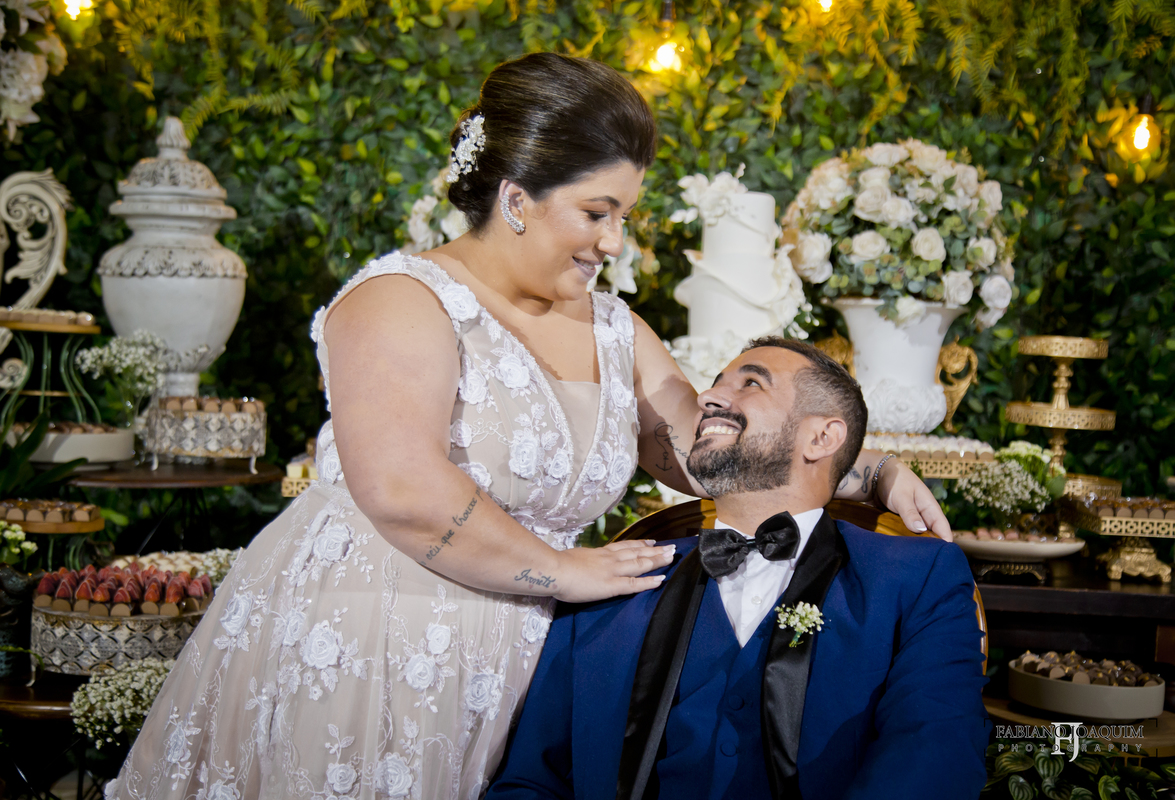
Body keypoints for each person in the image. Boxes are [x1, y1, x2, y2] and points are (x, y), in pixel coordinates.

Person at [106, 55, 951, 800]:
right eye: (597, 212)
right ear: (516, 198)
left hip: (521, 655)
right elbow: (399, 488)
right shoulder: (402, 300)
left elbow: (712, 450)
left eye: (624, 216)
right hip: (375, 634)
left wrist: (866, 470)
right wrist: (562, 570)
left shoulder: (613, 327)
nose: (614, 241)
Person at [487, 337, 990, 800]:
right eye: (715, 383)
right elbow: (531, 782)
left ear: (821, 437)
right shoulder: (612, 584)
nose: (707, 397)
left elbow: (935, 756)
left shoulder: (915, 579)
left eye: (751, 383)